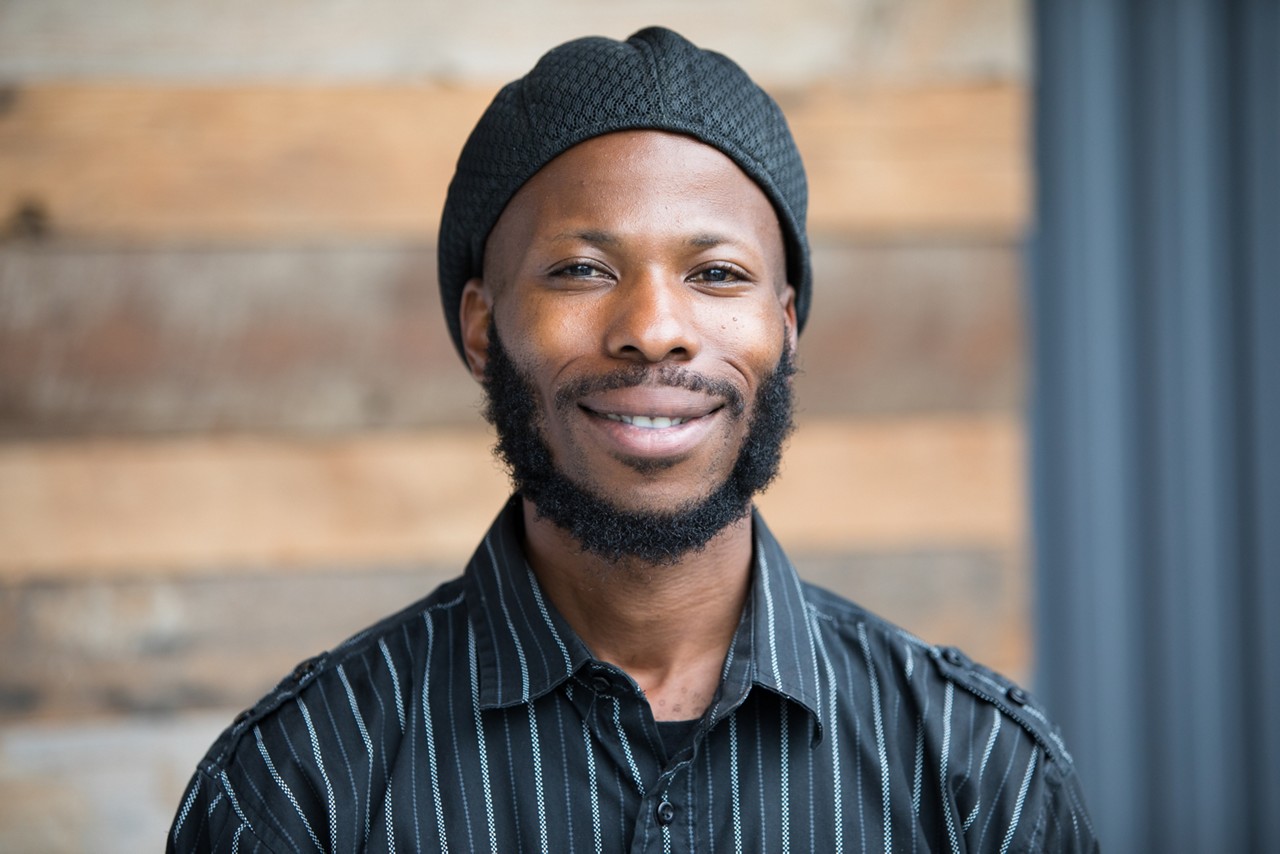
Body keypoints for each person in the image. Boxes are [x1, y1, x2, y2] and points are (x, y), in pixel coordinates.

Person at [168, 26, 1097, 852]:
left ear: (786, 325)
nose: (655, 328)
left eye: (717, 273)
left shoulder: (977, 777)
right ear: (483, 327)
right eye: (581, 268)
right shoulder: (301, 789)